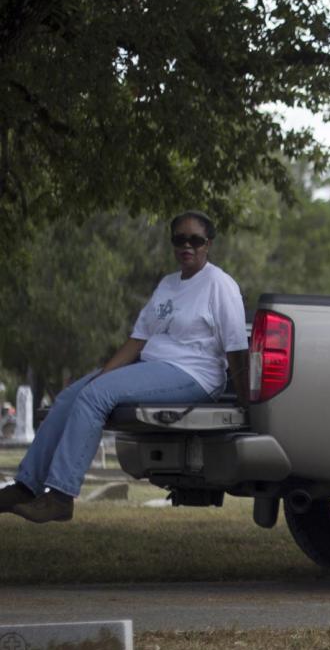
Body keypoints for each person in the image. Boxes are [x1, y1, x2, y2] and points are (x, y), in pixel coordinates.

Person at [0, 211, 250, 523]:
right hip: (153, 364)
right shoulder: (168, 284)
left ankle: (61, 497)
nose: (187, 245)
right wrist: (102, 377)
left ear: (208, 244)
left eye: (195, 240)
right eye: (179, 239)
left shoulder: (219, 284)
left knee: (95, 396)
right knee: (70, 397)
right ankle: (25, 486)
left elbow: (236, 348)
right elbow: (138, 340)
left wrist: (246, 402)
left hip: (194, 374)